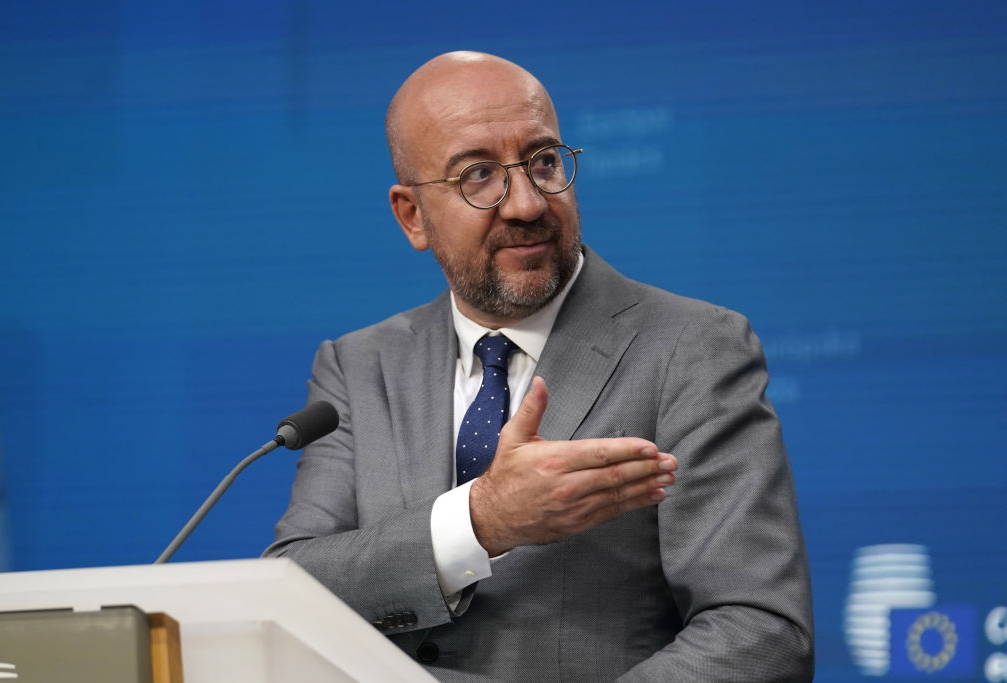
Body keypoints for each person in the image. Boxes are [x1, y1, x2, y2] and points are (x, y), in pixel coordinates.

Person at [265, 51, 814, 681]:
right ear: (412, 215)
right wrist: (481, 521)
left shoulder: (693, 348)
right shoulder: (360, 366)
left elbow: (761, 630)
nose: (526, 203)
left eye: (544, 161)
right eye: (477, 175)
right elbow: (290, 585)